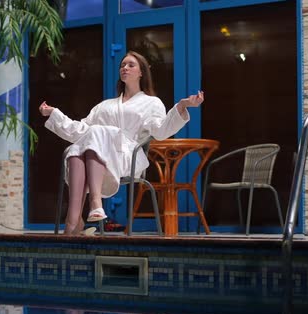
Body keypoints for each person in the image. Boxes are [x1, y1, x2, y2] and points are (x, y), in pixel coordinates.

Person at [38, 50, 204, 235]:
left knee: (95, 135)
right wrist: (54, 113)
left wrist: (181, 106)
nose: (125, 67)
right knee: (76, 149)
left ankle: (90, 206)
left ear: (141, 72)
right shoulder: (105, 106)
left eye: (131, 65)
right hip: (98, 156)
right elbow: (80, 131)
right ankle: (74, 219)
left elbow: (161, 131)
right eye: (122, 65)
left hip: (128, 158)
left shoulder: (152, 103)